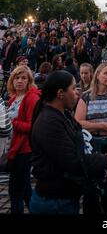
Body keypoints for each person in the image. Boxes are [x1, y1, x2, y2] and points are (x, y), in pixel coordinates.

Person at [30, 70, 107, 214]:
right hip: (53, 202)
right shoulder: (49, 122)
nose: (77, 93)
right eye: (73, 88)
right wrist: (105, 160)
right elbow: (73, 161)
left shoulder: (63, 115)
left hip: (64, 197)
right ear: (60, 93)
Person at [75, 63, 107, 214]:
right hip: (92, 146)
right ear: (97, 75)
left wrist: (94, 125)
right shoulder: (86, 96)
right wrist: (103, 126)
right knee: (91, 187)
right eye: (106, 73)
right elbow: (78, 122)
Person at [6, 66, 40, 213]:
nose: (19, 81)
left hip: (24, 149)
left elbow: (33, 126)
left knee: (15, 192)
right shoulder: (13, 99)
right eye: (16, 78)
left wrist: (11, 123)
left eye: (23, 78)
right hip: (14, 147)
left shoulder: (31, 97)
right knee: (25, 190)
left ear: (29, 81)